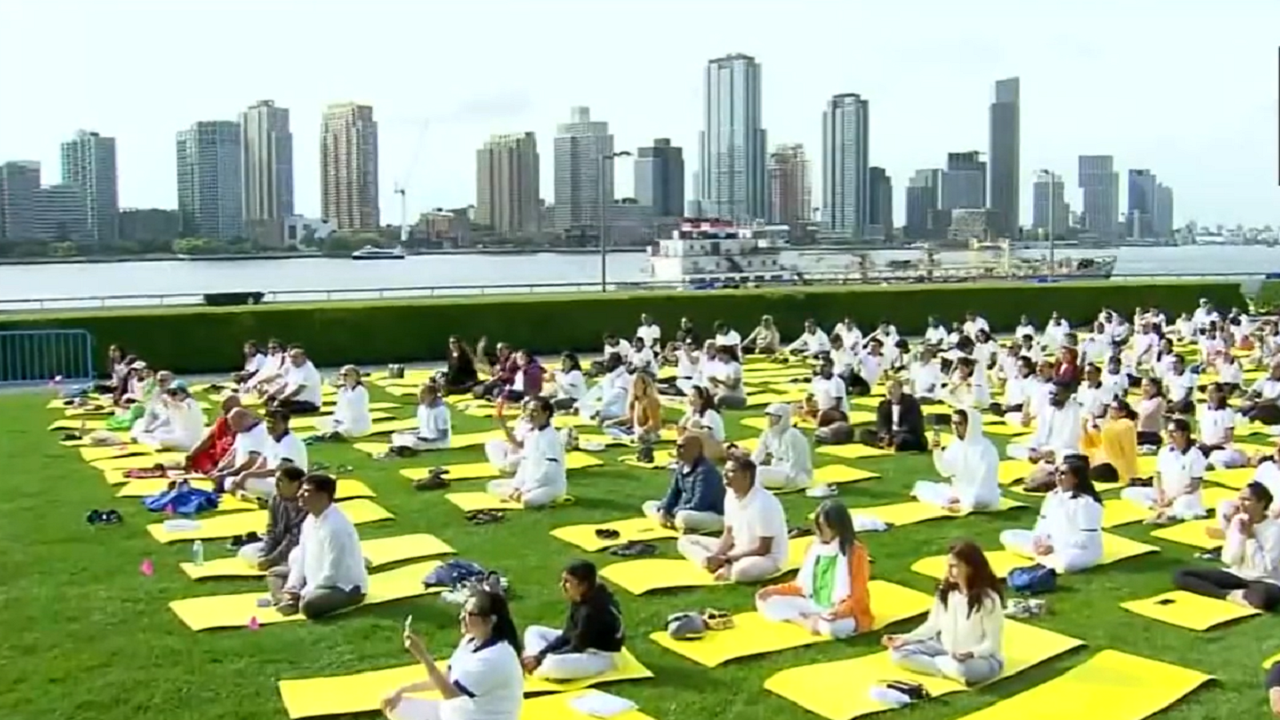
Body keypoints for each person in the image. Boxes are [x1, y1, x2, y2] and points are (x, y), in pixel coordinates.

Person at [380, 589, 523, 720]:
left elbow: (450, 694)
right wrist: (401, 690)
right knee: (391, 703)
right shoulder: (471, 640)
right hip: (454, 713)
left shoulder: (495, 658)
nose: (462, 617)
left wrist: (423, 656)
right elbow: (446, 677)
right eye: (463, 611)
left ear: (491, 620)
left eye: (470, 614)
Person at [882, 540, 1004, 686]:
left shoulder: (988, 600)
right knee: (897, 654)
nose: (948, 571)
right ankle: (947, 669)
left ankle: (949, 668)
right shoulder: (945, 592)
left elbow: (992, 644)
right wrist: (905, 639)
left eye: (953, 566)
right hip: (944, 649)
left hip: (979, 659)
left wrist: (971, 653)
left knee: (963, 670)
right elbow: (932, 625)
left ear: (970, 568)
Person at [755, 499, 873, 638]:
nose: (819, 531)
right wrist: (773, 590)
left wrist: (838, 612)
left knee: (831, 628)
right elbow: (801, 587)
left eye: (823, 527)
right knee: (766, 600)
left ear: (838, 527)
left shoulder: (855, 552)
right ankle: (805, 622)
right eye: (818, 526)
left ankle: (815, 622)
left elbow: (857, 596)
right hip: (812, 604)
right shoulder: (813, 547)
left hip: (842, 610)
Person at [677, 455, 790, 583]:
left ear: (746, 476)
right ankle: (711, 563)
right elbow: (728, 533)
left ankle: (727, 568)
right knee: (685, 541)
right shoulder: (730, 495)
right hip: (735, 550)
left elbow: (763, 548)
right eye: (725, 471)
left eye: (731, 471)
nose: (724, 475)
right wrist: (717, 555)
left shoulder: (764, 503)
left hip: (765, 558)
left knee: (741, 573)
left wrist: (727, 559)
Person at [270, 473, 368, 619]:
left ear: (322, 496)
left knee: (309, 606)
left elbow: (333, 574)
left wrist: (305, 591)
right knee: (274, 574)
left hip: (342, 586)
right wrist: (293, 587)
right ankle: (289, 599)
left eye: (307, 491)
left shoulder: (336, 527)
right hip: (314, 579)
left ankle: (292, 602)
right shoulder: (309, 520)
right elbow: (302, 557)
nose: (300, 495)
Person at [1172, 481, 1280, 611]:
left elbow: (1264, 570)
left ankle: (1243, 595)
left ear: (1261, 503)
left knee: (1264, 597)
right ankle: (1230, 595)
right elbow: (1229, 559)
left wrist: (1250, 538)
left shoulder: (1275, 530)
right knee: (1182, 575)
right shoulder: (1239, 521)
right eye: (1240, 499)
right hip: (1237, 575)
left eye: (1247, 500)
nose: (1241, 503)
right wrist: (1238, 535)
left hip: (1266, 580)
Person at [999, 454, 1104, 573]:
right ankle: (1044, 556)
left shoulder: (1086, 503)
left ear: (1076, 478)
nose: (1058, 476)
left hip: (1078, 549)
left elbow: (1086, 539)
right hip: (1050, 543)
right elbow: (1042, 521)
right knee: (1008, 535)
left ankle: (1043, 556)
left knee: (1067, 564)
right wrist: (1039, 540)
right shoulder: (1052, 496)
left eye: (1064, 473)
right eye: (1057, 472)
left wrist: (1054, 547)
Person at [522, 560, 625, 681]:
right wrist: (540, 656)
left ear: (583, 585)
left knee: (552, 664)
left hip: (600, 656)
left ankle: (535, 665)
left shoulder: (594, 610)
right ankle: (533, 661)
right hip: (583, 644)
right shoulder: (582, 597)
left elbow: (577, 646)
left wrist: (540, 659)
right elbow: (567, 635)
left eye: (567, 582)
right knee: (533, 631)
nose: (562, 585)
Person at [1120, 417, 1207, 524]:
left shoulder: (1195, 455)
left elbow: (1194, 485)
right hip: (1164, 494)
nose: (1169, 435)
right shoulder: (1164, 451)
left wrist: (1172, 499)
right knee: (1128, 492)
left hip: (1183, 496)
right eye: (1168, 432)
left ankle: (1168, 514)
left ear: (1184, 434)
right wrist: (1160, 494)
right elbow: (1157, 475)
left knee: (1184, 504)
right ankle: (1160, 510)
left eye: (1174, 432)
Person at [913, 408, 1001, 513]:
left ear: (970, 426)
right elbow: (945, 471)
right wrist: (937, 452)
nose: (955, 427)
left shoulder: (985, 448)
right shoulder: (955, 444)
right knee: (921, 486)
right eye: (953, 423)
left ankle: (957, 504)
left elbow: (985, 483)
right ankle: (950, 503)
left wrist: (963, 498)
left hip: (980, 495)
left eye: (960, 424)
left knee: (978, 500)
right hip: (958, 492)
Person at [486, 397, 567, 508]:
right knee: (492, 485)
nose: (530, 414)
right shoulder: (532, 434)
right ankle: (517, 494)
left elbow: (548, 471)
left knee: (527, 501)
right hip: (529, 482)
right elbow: (524, 463)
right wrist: (517, 486)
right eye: (528, 410)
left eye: (534, 411)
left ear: (546, 413)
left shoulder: (551, 437)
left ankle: (551, 499)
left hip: (549, 485)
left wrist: (526, 489)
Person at [642, 434, 725, 533]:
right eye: (676, 446)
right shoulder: (682, 467)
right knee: (649, 505)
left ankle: (678, 523)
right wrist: (664, 510)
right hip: (684, 508)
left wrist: (673, 511)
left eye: (681, 447)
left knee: (683, 517)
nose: (677, 450)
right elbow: (672, 493)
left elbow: (700, 504)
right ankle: (677, 524)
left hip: (711, 513)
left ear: (696, 450)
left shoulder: (705, 472)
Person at [229, 407, 309, 499]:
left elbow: (280, 470)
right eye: (268, 422)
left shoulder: (291, 442)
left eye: (274, 423)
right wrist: (246, 474)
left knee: (247, 480)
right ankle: (255, 498)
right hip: (271, 481)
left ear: (285, 424)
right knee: (230, 480)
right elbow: (261, 463)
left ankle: (260, 497)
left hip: (290, 484)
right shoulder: (271, 439)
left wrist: (247, 475)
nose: (270, 426)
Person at [238, 465, 308, 570]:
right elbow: (271, 529)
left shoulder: (306, 504)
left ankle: (279, 565)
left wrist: (272, 559)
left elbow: (294, 538)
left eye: (280, 481)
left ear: (295, 484)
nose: (276, 485)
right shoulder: (276, 499)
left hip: (300, 549)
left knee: (296, 559)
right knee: (245, 551)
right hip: (279, 546)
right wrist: (265, 553)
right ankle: (273, 564)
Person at [750, 403, 819, 495]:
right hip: (779, 469)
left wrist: (791, 480)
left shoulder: (792, 435)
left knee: (759, 472)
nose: (770, 420)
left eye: (774, 417)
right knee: (753, 472)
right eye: (769, 417)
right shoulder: (768, 433)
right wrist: (748, 468)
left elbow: (797, 461)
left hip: (796, 476)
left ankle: (757, 492)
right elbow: (758, 453)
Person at [211, 408, 271, 493]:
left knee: (233, 481)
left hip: (259, 476)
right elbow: (232, 455)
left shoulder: (259, 432)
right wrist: (219, 470)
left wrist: (227, 473)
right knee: (227, 481)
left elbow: (251, 462)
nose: (233, 429)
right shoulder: (241, 433)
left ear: (244, 419)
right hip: (240, 473)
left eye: (234, 424)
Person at [1081, 398, 1140, 485]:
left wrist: (1095, 425)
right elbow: (1100, 438)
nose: (1110, 411)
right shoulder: (1111, 424)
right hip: (1106, 462)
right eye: (1110, 408)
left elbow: (1108, 434)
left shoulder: (1127, 424)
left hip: (1116, 466)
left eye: (1114, 408)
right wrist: (1085, 428)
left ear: (1123, 412)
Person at [136, 381, 206, 452]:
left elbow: (182, 407)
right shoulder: (176, 404)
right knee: (158, 432)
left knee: (159, 439)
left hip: (188, 440)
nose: (172, 396)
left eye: (174, 393)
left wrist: (168, 400)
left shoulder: (190, 402)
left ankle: (157, 445)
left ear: (184, 393)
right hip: (179, 435)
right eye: (169, 393)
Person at [186, 395, 241, 475]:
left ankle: (217, 471)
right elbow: (207, 440)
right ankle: (211, 470)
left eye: (229, 410)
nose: (227, 414)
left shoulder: (246, 425)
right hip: (217, 458)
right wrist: (190, 456)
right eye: (225, 411)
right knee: (199, 456)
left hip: (234, 459)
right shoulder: (221, 422)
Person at [391, 382, 452, 452]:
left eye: (423, 394)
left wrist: (427, 440)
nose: (420, 397)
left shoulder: (441, 410)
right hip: (422, 439)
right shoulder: (422, 408)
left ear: (432, 395)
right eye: (419, 394)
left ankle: (403, 448)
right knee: (396, 435)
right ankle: (403, 448)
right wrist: (407, 432)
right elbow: (422, 430)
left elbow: (443, 436)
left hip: (437, 442)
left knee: (414, 444)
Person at [604, 372, 662, 445]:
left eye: (637, 384)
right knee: (608, 428)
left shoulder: (651, 401)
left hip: (648, 433)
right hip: (634, 431)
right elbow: (630, 419)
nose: (635, 387)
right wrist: (614, 422)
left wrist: (643, 430)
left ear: (645, 385)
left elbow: (655, 424)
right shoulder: (635, 401)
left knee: (643, 437)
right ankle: (629, 438)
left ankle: (631, 439)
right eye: (633, 384)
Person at [316, 365, 372, 438]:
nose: (343, 377)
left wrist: (341, 422)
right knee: (319, 422)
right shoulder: (342, 390)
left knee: (340, 431)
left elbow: (354, 411)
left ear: (355, 377)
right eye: (341, 375)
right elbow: (339, 409)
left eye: (346, 375)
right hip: (342, 422)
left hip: (357, 424)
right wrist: (336, 420)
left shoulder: (360, 391)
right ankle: (335, 430)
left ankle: (336, 432)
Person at [1199, 382, 1246, 468]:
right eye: (1208, 392)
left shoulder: (1227, 412)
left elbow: (1229, 437)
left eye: (1212, 392)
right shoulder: (1203, 409)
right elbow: (1199, 430)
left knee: (1213, 461)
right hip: (1204, 447)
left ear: (1220, 394)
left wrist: (1212, 445)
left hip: (1220, 448)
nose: (1209, 395)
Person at [873, 379, 927, 452]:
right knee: (864, 433)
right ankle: (887, 444)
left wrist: (893, 436)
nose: (889, 391)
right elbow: (881, 423)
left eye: (892, 388)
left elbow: (910, 426)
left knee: (902, 440)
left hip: (909, 435)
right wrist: (885, 434)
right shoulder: (883, 404)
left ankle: (890, 444)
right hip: (891, 435)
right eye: (887, 388)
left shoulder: (911, 403)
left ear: (900, 389)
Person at [268, 347, 324, 415]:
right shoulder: (291, 367)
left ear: (303, 358)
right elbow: (285, 384)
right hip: (293, 400)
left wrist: (280, 399)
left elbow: (298, 391)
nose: (292, 360)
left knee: (280, 411)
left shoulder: (309, 371)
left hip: (309, 403)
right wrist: (271, 394)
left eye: (295, 357)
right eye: (291, 357)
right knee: (270, 401)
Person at [676, 385, 727, 460]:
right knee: (692, 423)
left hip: (714, 446)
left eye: (693, 396)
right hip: (704, 446)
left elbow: (706, 433)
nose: (689, 399)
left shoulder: (709, 413)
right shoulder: (693, 412)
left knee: (695, 423)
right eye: (688, 396)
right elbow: (680, 429)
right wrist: (687, 417)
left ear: (702, 400)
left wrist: (688, 430)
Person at [706, 345, 747, 410]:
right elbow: (718, 385)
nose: (719, 357)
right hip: (722, 393)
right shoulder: (720, 366)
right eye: (718, 354)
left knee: (719, 399)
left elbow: (734, 386)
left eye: (721, 354)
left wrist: (718, 381)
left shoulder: (735, 366)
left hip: (737, 397)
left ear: (728, 355)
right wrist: (713, 382)